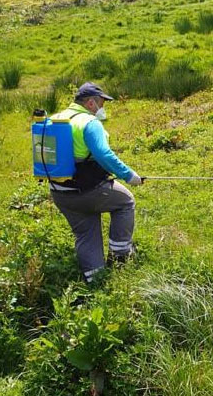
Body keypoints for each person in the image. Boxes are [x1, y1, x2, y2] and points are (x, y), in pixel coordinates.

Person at [49, 82, 143, 283]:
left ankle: (95, 281)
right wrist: (129, 176)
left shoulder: (54, 119)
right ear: (91, 102)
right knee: (125, 202)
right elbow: (103, 154)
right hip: (87, 190)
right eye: (101, 103)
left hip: (59, 192)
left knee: (86, 233)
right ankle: (120, 257)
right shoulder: (88, 122)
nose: (103, 108)